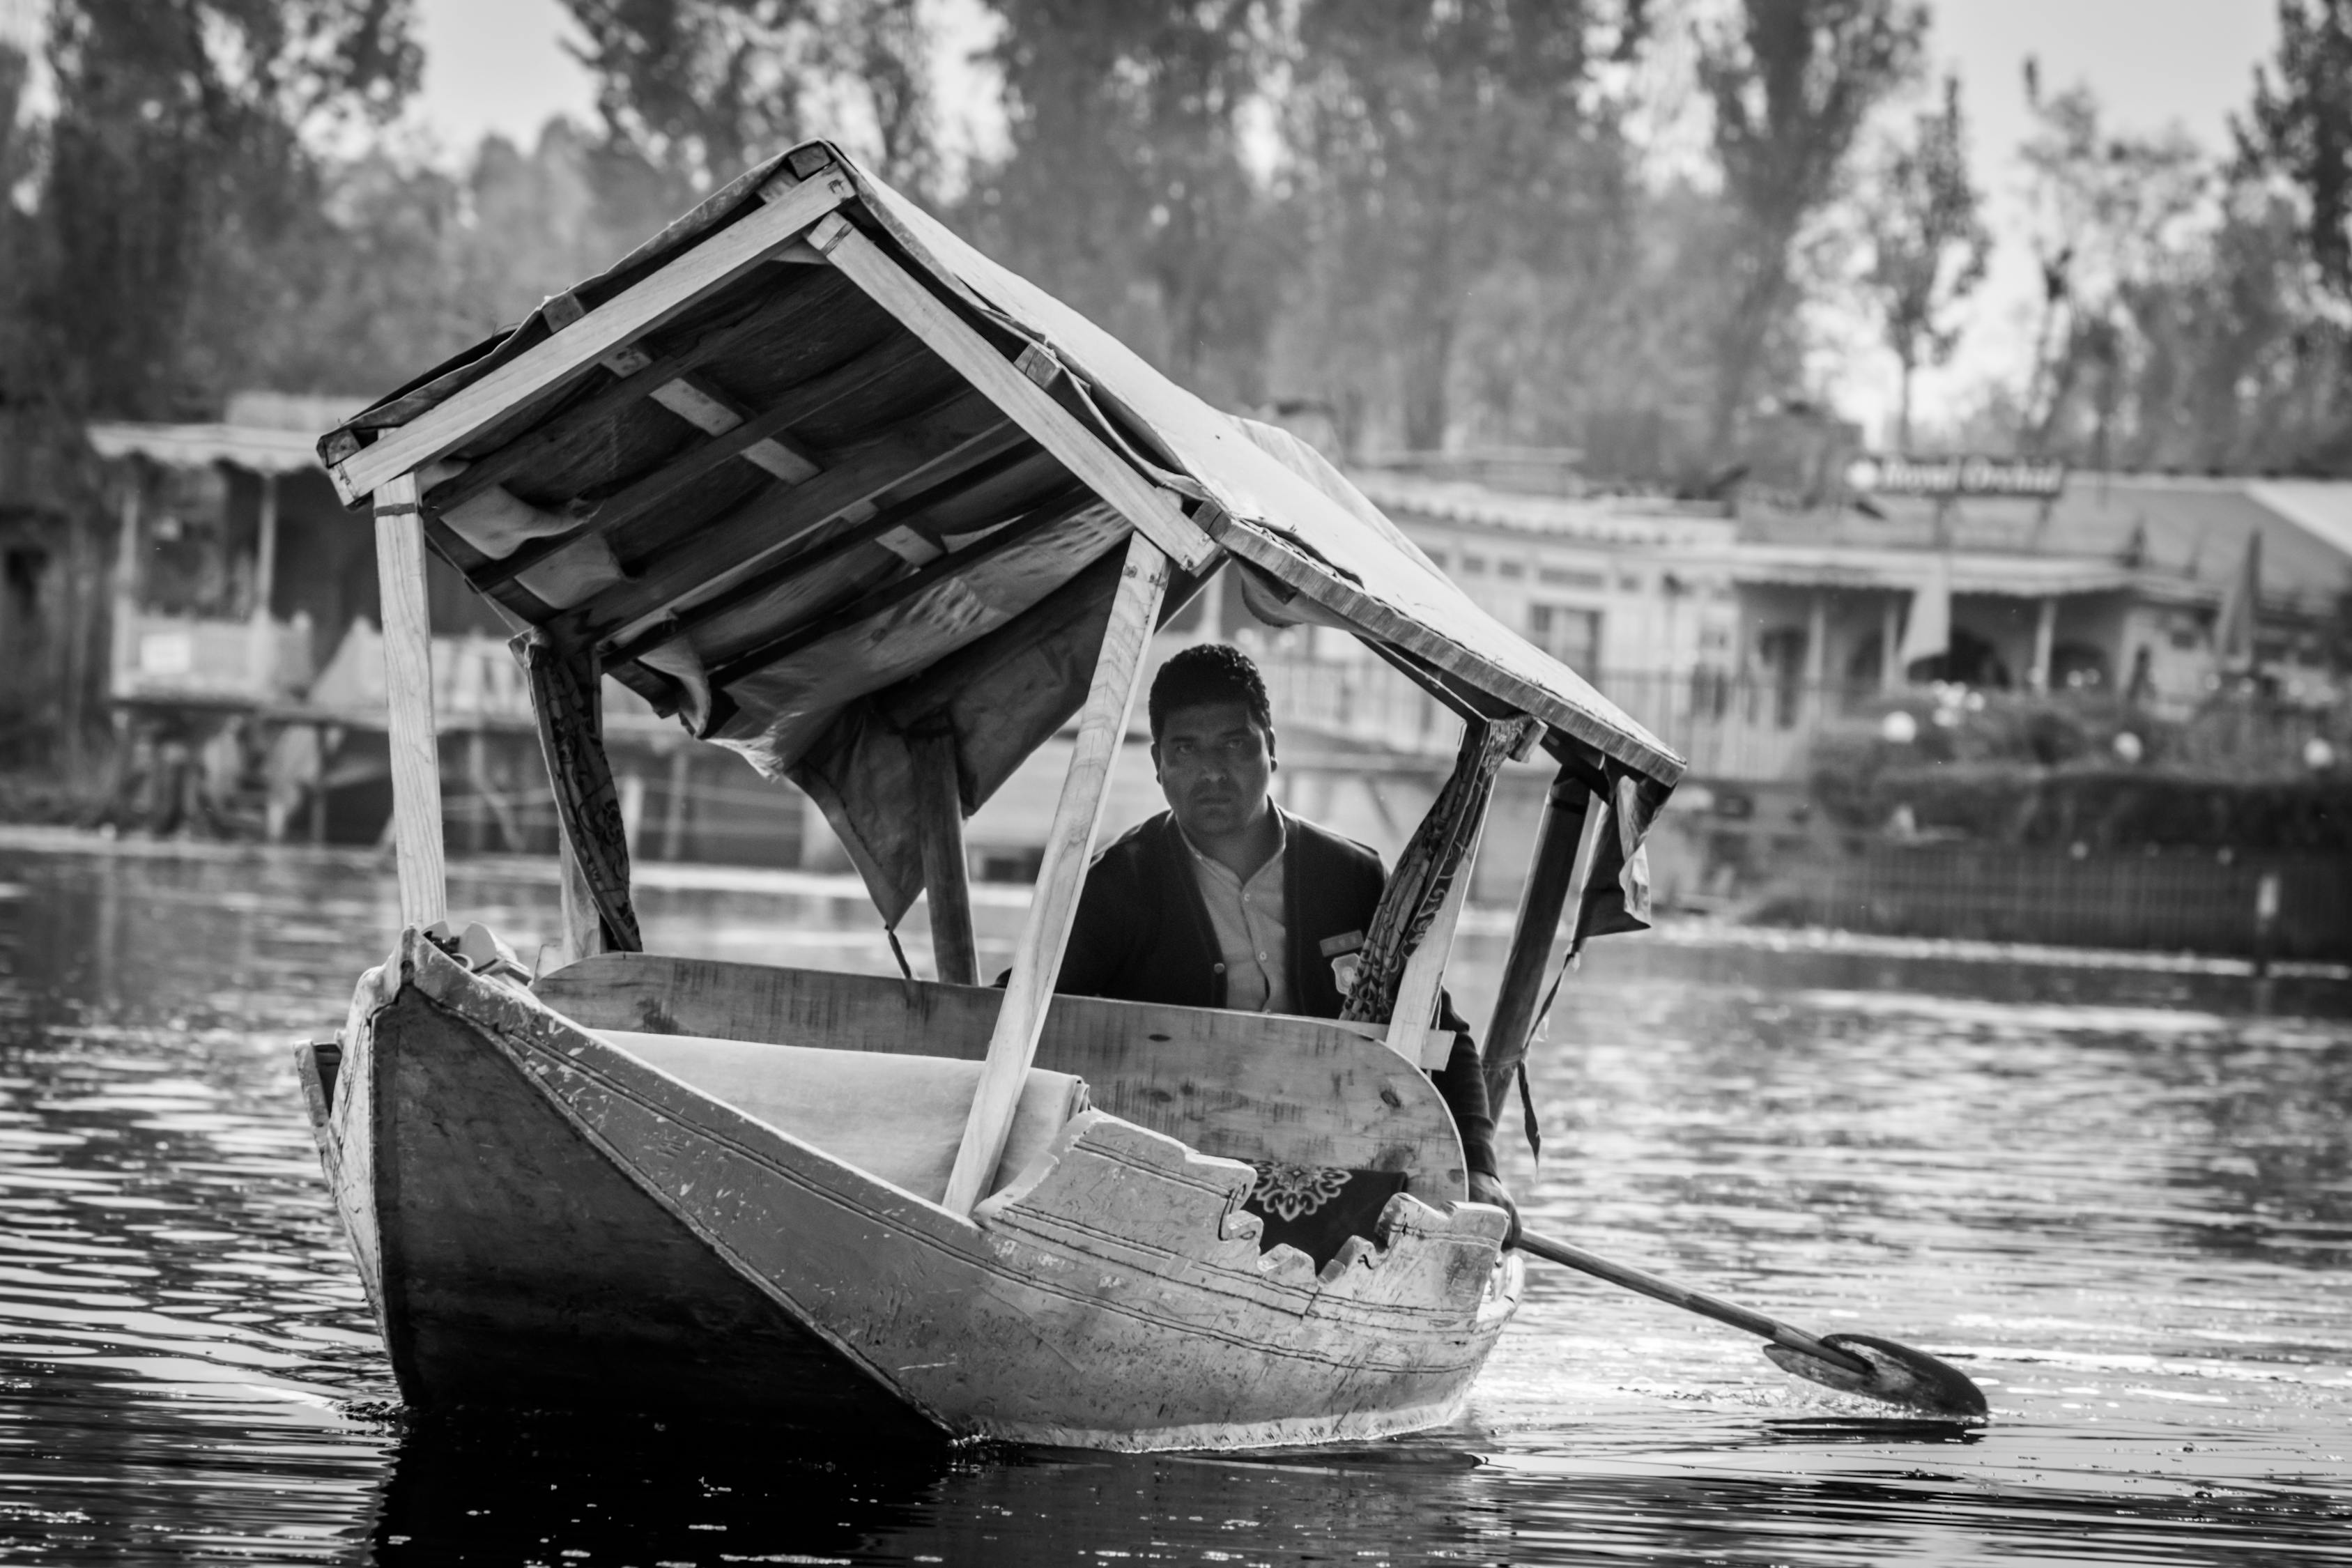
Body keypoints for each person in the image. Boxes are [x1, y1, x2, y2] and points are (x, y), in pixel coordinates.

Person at [1054, 643, 1515, 1229]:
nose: (1212, 772)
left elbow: (1440, 1034)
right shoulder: (1120, 882)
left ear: (1271, 747)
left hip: (1339, 1172)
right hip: (1173, 1179)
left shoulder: (1351, 876)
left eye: (1234, 744)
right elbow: (1025, 1018)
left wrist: (1480, 1170)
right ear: (1158, 764)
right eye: (1186, 750)